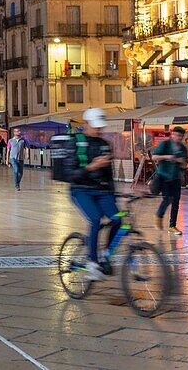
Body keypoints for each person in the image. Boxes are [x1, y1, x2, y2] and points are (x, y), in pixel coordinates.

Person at [63, 108, 126, 281]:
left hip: (102, 190)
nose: (99, 130)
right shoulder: (75, 142)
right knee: (96, 218)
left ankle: (105, 254)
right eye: (95, 126)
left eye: (100, 126)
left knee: (118, 219)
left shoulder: (104, 144)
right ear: (86, 124)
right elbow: (70, 174)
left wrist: (113, 195)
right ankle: (92, 262)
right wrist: (91, 167)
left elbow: (109, 175)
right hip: (80, 189)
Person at [152, 127, 188, 235]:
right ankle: (159, 215)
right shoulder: (165, 144)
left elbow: (184, 163)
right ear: (172, 134)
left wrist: (180, 162)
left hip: (176, 177)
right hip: (164, 176)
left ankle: (172, 226)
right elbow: (154, 157)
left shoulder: (182, 147)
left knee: (176, 202)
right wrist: (166, 157)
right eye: (176, 135)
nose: (178, 138)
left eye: (180, 136)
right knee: (167, 199)